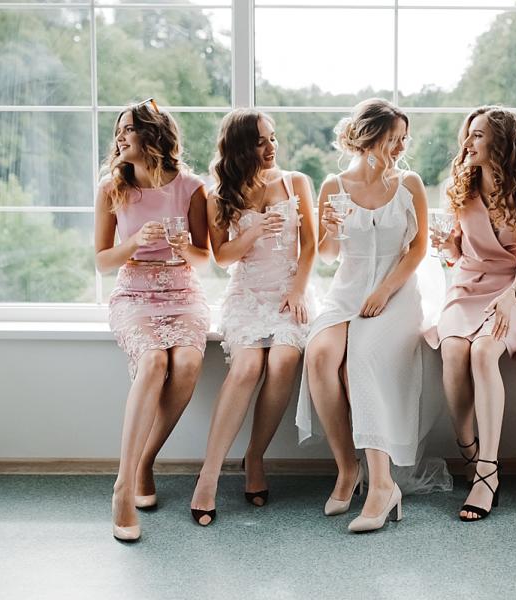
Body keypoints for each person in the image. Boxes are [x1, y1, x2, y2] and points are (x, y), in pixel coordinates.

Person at [295, 98, 429, 533]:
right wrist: (331, 229)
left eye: (404, 139)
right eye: (393, 139)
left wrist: (385, 290)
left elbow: (419, 249)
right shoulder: (333, 185)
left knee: (362, 359)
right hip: (347, 290)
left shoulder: (409, 183)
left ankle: (383, 486)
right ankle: (347, 469)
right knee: (319, 355)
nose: (400, 147)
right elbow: (328, 255)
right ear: (369, 137)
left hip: (396, 292)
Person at [189, 110, 317, 526]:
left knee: (283, 360)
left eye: (273, 138)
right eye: (261, 141)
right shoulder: (218, 195)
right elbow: (222, 257)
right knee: (246, 368)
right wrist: (254, 231)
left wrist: (297, 290)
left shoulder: (296, 182)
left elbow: (311, 246)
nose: (270, 147)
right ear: (240, 148)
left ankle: (255, 457)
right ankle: (209, 476)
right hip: (246, 294)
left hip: (289, 292)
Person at [426, 106, 516, 521]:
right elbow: (456, 252)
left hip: (512, 287)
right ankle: (468, 449)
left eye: (477, 135)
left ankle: (487, 471)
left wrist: (512, 296)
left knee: (483, 352)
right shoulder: (460, 185)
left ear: (502, 141)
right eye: (468, 134)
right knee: (453, 350)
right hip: (466, 285)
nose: (467, 143)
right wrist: (445, 246)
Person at [94, 99, 211, 541]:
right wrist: (135, 243)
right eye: (119, 130)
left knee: (187, 362)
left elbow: (205, 258)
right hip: (134, 292)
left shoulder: (191, 187)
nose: (120, 137)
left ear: (153, 135)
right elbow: (102, 261)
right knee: (154, 362)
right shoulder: (112, 188)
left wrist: (183, 248)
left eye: (128, 129)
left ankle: (145, 462)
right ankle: (123, 487)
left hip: (183, 292)